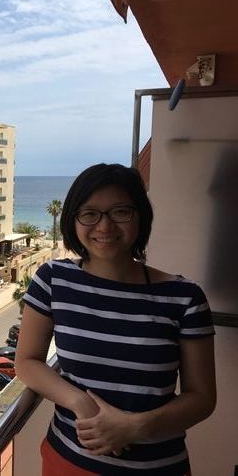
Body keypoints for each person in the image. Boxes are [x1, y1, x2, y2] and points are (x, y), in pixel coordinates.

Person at [15, 163, 216, 475]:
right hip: (67, 462)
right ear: (73, 219)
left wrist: (135, 427)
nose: (105, 226)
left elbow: (202, 398)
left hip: (157, 468)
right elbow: (27, 361)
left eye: (120, 212)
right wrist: (80, 403)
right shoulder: (53, 279)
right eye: (90, 213)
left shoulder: (184, 297)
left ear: (140, 216)